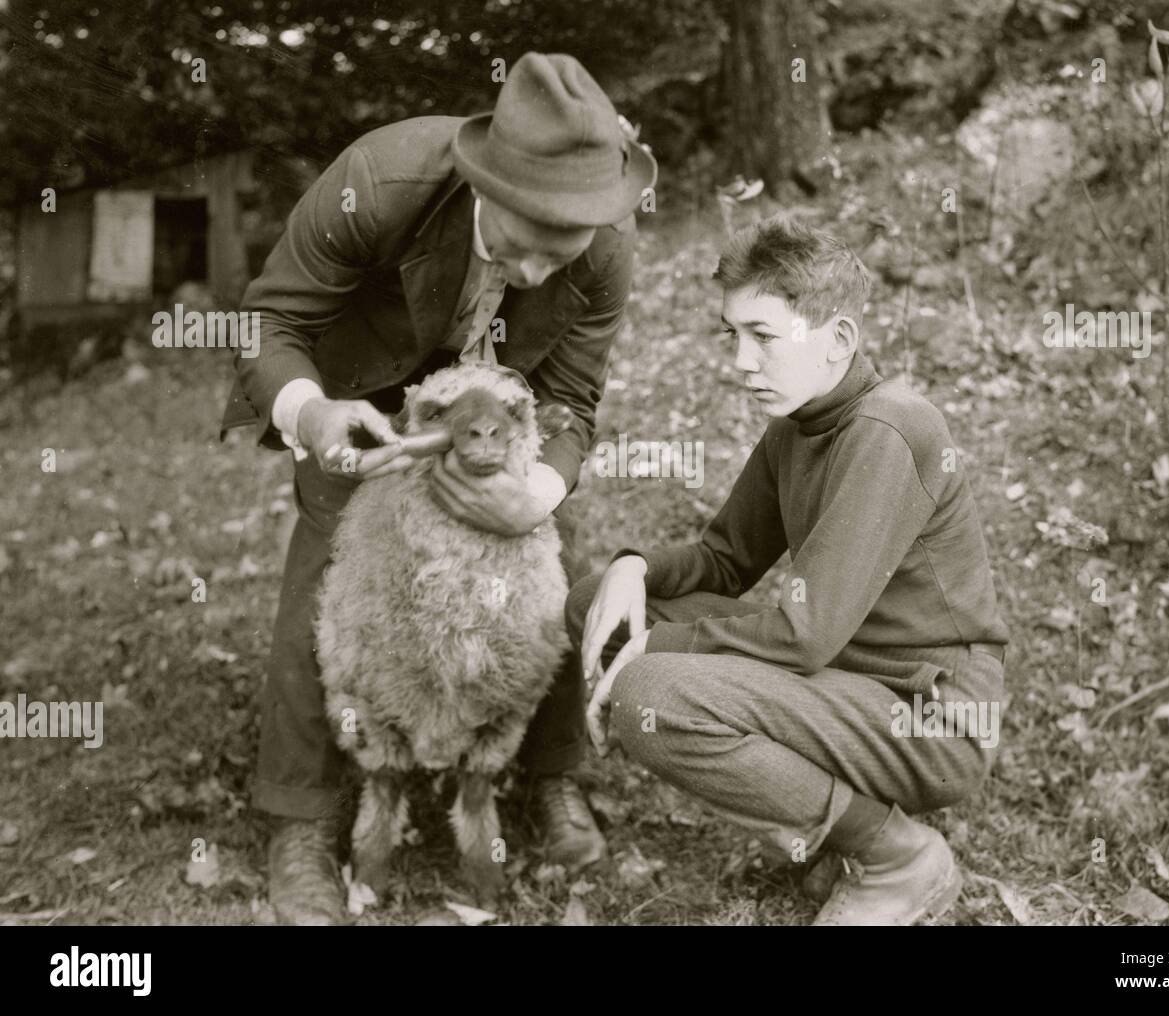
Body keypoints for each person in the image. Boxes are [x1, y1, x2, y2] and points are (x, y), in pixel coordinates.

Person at [219, 52, 656, 925]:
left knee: (542, 554)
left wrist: (542, 487)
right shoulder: (380, 182)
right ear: (481, 182)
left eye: (559, 248)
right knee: (336, 562)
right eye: (523, 241)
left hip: (495, 408)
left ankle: (547, 773)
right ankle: (301, 818)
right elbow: (269, 319)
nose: (535, 271)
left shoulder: (606, 242)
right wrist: (312, 418)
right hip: (358, 388)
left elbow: (572, 396)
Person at [573, 216, 1010, 926]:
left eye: (764, 336)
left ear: (838, 339)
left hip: (932, 713)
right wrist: (632, 567)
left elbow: (805, 637)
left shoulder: (890, 428)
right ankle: (827, 826)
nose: (741, 361)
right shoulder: (796, 428)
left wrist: (658, 652)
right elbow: (724, 560)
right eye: (731, 335)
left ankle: (895, 855)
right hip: (845, 684)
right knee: (601, 606)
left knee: (651, 690)